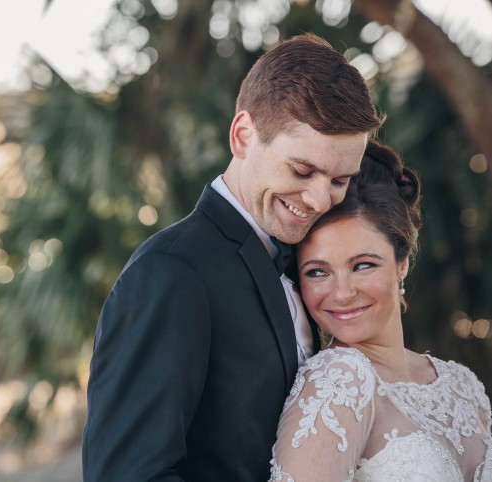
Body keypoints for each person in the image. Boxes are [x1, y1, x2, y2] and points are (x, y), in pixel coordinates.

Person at [82, 33, 382, 481]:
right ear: (243, 135)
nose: (320, 199)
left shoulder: (307, 263)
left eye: (340, 180)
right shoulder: (171, 273)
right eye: (302, 170)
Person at [269, 140, 492, 481]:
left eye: (363, 265)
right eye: (317, 272)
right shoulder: (340, 380)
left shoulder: (464, 386)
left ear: (401, 262)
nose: (342, 293)